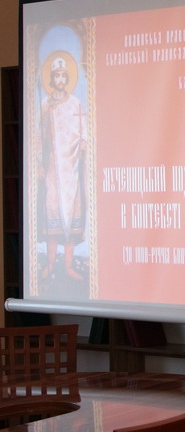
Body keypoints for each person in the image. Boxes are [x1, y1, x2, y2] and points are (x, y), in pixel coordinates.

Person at [38, 55, 88, 281]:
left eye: (63, 76)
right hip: (53, 169)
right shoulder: (45, 104)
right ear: (52, 78)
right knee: (53, 217)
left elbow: (83, 131)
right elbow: (39, 136)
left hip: (72, 170)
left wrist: (82, 146)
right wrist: (39, 162)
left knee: (71, 220)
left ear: (67, 78)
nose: (60, 79)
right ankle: (50, 265)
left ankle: (68, 267)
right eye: (56, 75)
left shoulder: (76, 103)